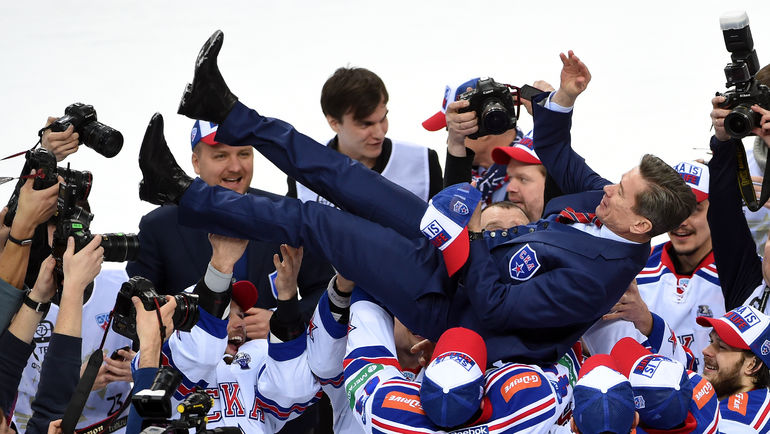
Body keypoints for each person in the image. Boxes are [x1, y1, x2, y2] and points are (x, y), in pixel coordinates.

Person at [145, 32, 694, 363]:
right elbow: (555, 148)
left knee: (317, 221)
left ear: (641, 226)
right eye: (618, 180)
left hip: (444, 296)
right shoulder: (605, 209)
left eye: (622, 192)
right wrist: (564, 98)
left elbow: (499, 309)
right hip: (454, 244)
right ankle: (222, 106)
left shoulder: (601, 278)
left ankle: (181, 193)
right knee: (343, 175)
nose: (607, 188)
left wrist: (464, 242)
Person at [126, 115, 334, 322]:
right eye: (221, 156)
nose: (235, 167)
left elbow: (325, 291)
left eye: (244, 154)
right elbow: (136, 311)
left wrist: (283, 321)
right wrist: (197, 326)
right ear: (196, 163)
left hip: (270, 344)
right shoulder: (158, 227)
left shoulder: (287, 214)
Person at [128, 235, 322, 433]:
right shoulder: (158, 359)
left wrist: (287, 301)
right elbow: (198, 353)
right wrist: (221, 267)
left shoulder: (256, 358)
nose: (240, 323)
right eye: (226, 315)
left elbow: (292, 388)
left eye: (241, 315)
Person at [600, 161, 720, 373]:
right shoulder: (633, 266)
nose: (681, 221)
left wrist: (647, 320)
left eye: (694, 210)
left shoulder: (741, 275)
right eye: (674, 211)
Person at [288, 66, 442, 203]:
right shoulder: (303, 166)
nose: (379, 133)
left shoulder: (422, 162)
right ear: (334, 123)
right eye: (366, 124)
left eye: (383, 118)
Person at [434, 78, 563, 218]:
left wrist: (553, 117)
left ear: (481, 124)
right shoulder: (469, 178)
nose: (511, 188)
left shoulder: (540, 156)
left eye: (460, 124)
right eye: (451, 129)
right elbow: (453, 218)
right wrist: (456, 143)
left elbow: (555, 211)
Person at [697, 306, 770, 432]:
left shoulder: (737, 423)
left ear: (751, 365)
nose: (706, 351)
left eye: (721, 346)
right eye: (711, 341)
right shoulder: (756, 399)